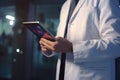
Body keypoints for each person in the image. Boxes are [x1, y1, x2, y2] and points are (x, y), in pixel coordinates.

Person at [39, 0, 120, 80]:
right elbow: (63, 41)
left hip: (92, 75)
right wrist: (51, 47)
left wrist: (72, 48)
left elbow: (116, 43)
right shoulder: (66, 5)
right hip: (63, 74)